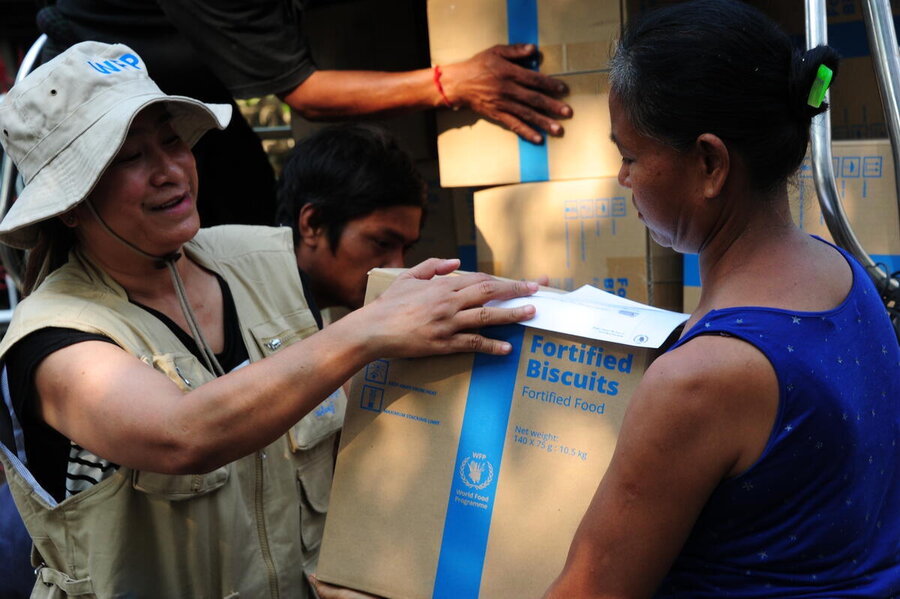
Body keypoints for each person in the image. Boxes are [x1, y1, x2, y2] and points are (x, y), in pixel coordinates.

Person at [0, 41, 537, 598]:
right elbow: (180, 435)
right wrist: (368, 329)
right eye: (129, 157)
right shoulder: (54, 336)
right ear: (69, 202)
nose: (170, 171)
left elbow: (363, 377)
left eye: (172, 142)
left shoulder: (264, 259)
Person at [543, 1, 899, 597]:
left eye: (630, 156)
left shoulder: (700, 381)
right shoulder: (842, 273)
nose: (623, 179)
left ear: (709, 163)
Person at [36, 0, 573, 227]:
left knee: (245, 216)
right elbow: (305, 89)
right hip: (98, 92)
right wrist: (449, 82)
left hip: (194, 98)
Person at [276, 123, 426, 313]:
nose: (398, 267)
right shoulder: (232, 316)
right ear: (313, 224)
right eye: (382, 243)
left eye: (406, 249)